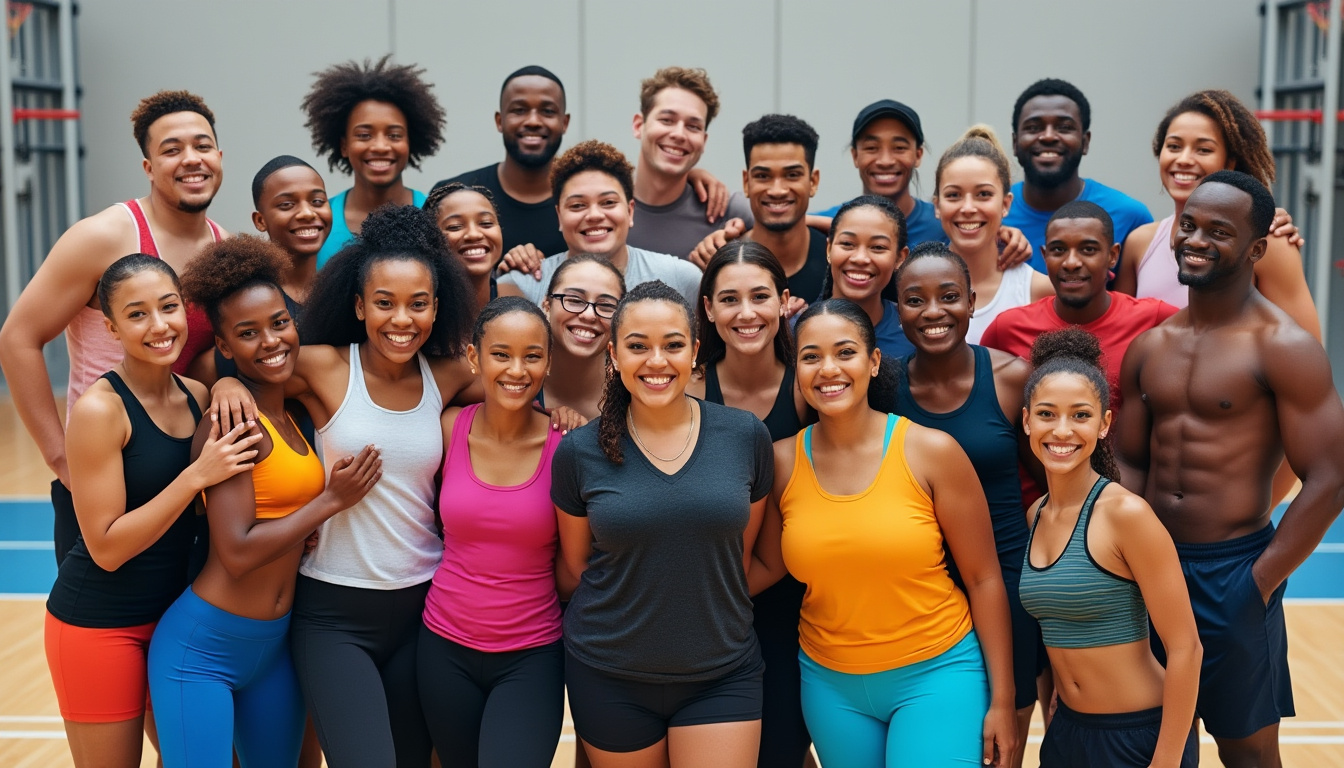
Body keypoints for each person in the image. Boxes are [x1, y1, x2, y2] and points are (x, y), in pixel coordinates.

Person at [212, 205, 477, 767]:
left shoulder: (450, 374)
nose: (401, 318)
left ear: (437, 308)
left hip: (422, 608)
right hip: (332, 611)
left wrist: (569, 415)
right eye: (384, 302)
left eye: (418, 303)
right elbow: (252, 356)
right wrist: (223, 386)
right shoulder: (326, 366)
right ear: (359, 306)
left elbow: (518, 379)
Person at [1117, 171, 1344, 767]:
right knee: (1152, 741)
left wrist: (1260, 582)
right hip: (1151, 567)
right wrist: (1125, 561)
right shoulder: (1151, 347)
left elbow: (1330, 477)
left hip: (1233, 571)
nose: (1195, 239)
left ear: (1255, 249)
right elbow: (1131, 464)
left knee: (1247, 753)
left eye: (1219, 231)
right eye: (1189, 225)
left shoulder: (1283, 346)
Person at [750, 298, 1018, 768]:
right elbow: (767, 567)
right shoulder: (780, 462)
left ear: (874, 362)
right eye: (811, 356)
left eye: (845, 352)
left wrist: (1003, 700)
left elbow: (984, 579)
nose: (828, 368)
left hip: (938, 673)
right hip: (829, 683)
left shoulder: (932, 451)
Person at [147, 237, 381, 768]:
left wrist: (307, 527)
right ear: (224, 347)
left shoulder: (293, 416)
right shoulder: (229, 424)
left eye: (279, 322)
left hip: (274, 647)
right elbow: (236, 550)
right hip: (202, 650)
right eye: (247, 334)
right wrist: (329, 503)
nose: (270, 341)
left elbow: (280, 515)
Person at [44, 255, 260, 768]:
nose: (159, 326)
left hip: (176, 620)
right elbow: (106, 547)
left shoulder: (198, 395)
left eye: (168, 308)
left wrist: (229, 383)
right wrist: (194, 478)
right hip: (100, 625)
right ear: (111, 327)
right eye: (137, 314)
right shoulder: (100, 411)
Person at [552, 280, 773, 767]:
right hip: (608, 673)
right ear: (613, 354)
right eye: (637, 346)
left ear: (695, 351)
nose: (656, 361)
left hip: (722, 672)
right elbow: (579, 564)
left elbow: (739, 557)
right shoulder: (578, 451)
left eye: (673, 345)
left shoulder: (743, 436)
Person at [0, 90, 227, 565]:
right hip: (108, 479)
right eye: (171, 149)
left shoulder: (224, 248)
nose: (191, 159)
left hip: (189, 478)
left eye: (202, 146)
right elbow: (18, 338)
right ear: (148, 167)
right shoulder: (104, 237)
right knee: (99, 629)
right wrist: (61, 458)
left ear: (219, 157)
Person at [891, 242, 1042, 768]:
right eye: (915, 299)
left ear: (973, 301)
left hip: (1005, 581)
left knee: (1002, 747)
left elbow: (1050, 484)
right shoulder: (883, 387)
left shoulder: (1011, 379)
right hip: (918, 591)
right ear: (897, 309)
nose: (933, 312)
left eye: (949, 296)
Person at [1021, 329, 1200, 768]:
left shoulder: (1126, 515)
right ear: (1027, 421)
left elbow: (1186, 648)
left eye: (1080, 415)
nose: (1062, 430)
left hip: (1137, 735)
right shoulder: (1036, 514)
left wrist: (1167, 759)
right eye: (1047, 414)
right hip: (1069, 731)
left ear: (1103, 425)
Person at [418, 297, 567, 768]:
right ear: (473, 358)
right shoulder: (445, 429)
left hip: (532, 653)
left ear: (549, 361)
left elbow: (575, 564)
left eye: (533, 355)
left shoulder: (568, 448)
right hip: (443, 647)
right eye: (501, 354)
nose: (516, 370)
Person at [687, 241, 812, 767]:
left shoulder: (810, 390)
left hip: (794, 609)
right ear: (709, 310)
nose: (745, 313)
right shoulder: (686, 390)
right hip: (702, 610)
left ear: (784, 303)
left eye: (760, 297)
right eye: (729, 299)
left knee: (781, 750)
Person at [442, 66, 729, 261]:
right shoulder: (458, 195)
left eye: (547, 110)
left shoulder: (719, 208)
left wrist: (690, 174)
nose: (532, 120)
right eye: (519, 110)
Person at [1113, 89, 1321, 341]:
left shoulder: (1269, 242)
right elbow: (1120, 338)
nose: (1184, 159)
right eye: (1174, 146)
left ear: (1230, 161)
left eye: (1203, 150)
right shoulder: (1140, 242)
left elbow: (1308, 349)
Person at [981, 201, 1177, 416]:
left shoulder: (1155, 318)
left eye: (1088, 250)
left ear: (1113, 255)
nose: (1071, 262)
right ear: (1045, 256)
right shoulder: (1007, 328)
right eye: (1058, 250)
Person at [496, 140, 703, 305]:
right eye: (578, 205)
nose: (594, 215)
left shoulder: (681, 279)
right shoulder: (522, 286)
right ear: (559, 216)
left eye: (608, 202)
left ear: (630, 211)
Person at [302, 55, 445, 268]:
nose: (380, 146)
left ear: (409, 143)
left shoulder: (437, 217)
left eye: (394, 135)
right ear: (343, 145)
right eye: (364, 135)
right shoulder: (318, 221)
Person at [1004, 78, 1153, 270]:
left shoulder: (1131, 216)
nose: (1048, 136)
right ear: (1015, 143)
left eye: (1064, 127)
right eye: (1033, 128)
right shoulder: (989, 215)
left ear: (1085, 142)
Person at [688, 114, 830, 306]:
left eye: (792, 175)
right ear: (746, 182)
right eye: (763, 176)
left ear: (813, 182)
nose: (777, 190)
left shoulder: (838, 263)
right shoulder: (717, 262)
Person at [934, 125, 1054, 343]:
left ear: (1006, 204)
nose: (968, 207)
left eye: (983, 194)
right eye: (953, 195)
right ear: (937, 206)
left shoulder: (1038, 289)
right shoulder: (911, 282)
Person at [628, 66, 753, 259]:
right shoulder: (604, 209)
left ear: (703, 141)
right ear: (638, 126)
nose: (679, 134)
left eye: (693, 126)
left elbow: (793, 227)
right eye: (667, 120)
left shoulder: (729, 213)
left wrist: (745, 240)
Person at [818, 195, 915, 361]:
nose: (860, 258)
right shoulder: (796, 329)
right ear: (829, 249)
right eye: (847, 244)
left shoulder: (914, 332)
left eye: (877, 247)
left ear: (900, 258)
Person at [539, 254, 626, 419]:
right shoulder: (514, 382)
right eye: (575, 300)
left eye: (606, 305)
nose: (588, 315)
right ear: (547, 306)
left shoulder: (635, 393)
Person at [424, 181, 503, 313]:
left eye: (486, 223)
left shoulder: (520, 297)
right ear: (430, 240)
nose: (474, 234)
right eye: (455, 226)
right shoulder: (422, 313)